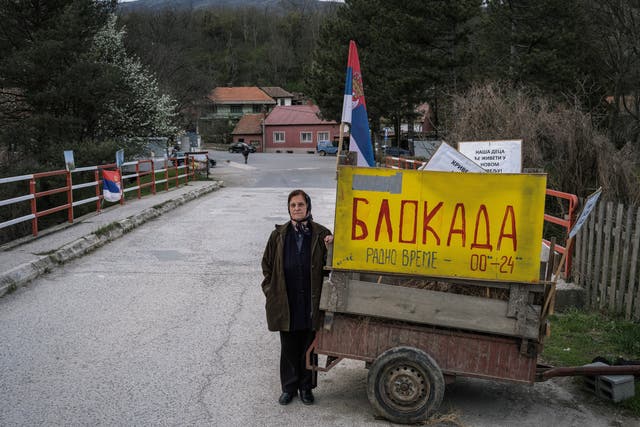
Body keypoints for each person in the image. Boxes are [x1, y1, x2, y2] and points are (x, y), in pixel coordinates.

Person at [261, 189, 334, 406]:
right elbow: (267, 266)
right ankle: (289, 387)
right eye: (293, 205)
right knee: (289, 346)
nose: (296, 208)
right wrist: (270, 291)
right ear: (289, 209)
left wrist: (332, 245)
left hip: (311, 300)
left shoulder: (321, 234)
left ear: (308, 207)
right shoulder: (279, 235)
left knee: (309, 345)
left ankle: (306, 387)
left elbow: (331, 267)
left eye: (300, 205)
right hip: (287, 301)